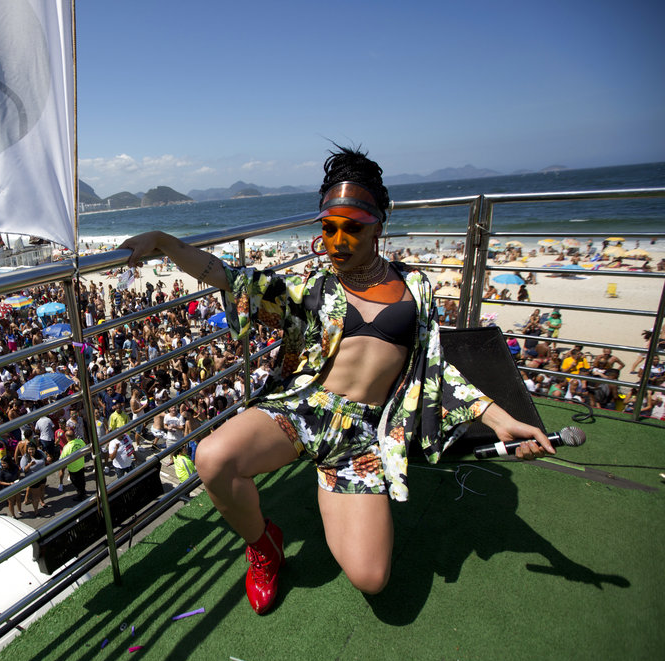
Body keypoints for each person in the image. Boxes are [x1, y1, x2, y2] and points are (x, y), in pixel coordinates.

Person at [120, 145, 552, 615]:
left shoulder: (416, 290)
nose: (338, 241)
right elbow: (229, 276)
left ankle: (329, 481)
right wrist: (164, 241)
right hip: (301, 409)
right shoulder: (314, 288)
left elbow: (434, 368)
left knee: (372, 578)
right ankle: (264, 545)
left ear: (378, 226)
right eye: (329, 228)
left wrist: (500, 420)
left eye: (353, 228)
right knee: (212, 457)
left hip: (361, 436)